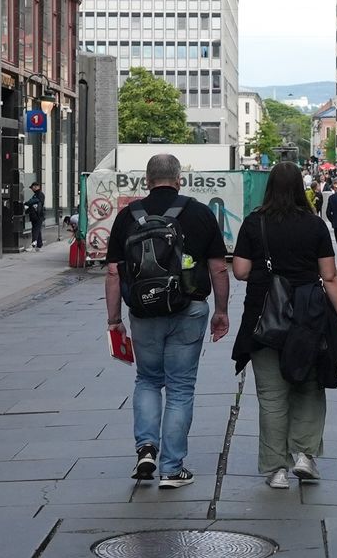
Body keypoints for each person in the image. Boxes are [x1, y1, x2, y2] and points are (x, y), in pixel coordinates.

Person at [104, 154, 230, 488]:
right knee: (180, 387)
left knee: (146, 380)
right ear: (179, 179)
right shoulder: (200, 213)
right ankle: (172, 468)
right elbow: (218, 267)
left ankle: (146, 447)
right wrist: (221, 311)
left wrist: (114, 319)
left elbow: (114, 271)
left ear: (146, 180)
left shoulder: (127, 216)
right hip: (188, 310)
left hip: (143, 312)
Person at [231, 162, 337, 489]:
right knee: (309, 387)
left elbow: (239, 270)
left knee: (271, 396)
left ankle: (276, 469)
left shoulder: (255, 222)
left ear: (269, 188)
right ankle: (304, 456)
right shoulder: (314, 225)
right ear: (300, 187)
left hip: (263, 319)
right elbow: (329, 275)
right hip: (308, 318)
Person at [24, 182, 45, 251]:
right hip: (36, 216)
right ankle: (39, 245)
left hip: (38, 216)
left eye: (33, 187)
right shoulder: (36, 194)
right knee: (37, 230)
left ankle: (33, 245)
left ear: (37, 187)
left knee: (35, 230)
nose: (32, 189)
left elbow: (33, 202)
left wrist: (27, 202)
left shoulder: (40, 195)